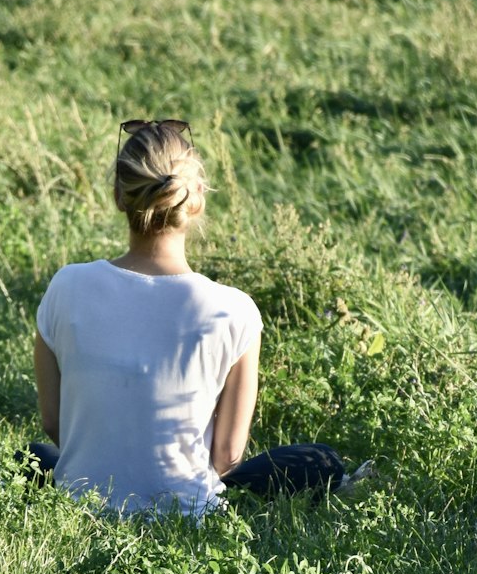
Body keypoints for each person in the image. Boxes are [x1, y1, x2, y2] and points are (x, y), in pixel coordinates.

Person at [28, 118, 371, 518]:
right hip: (187, 514)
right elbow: (226, 456)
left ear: (120, 196)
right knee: (318, 461)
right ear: (197, 200)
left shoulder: (68, 285)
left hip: (80, 502)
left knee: (36, 456)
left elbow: (55, 424)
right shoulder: (234, 308)